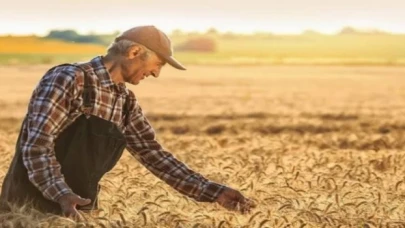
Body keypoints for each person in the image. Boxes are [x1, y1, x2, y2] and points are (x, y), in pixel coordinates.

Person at [0, 25, 255, 219]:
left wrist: (214, 192)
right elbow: (37, 146)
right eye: (158, 64)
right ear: (134, 52)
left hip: (76, 212)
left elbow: (153, 154)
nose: (156, 73)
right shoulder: (69, 79)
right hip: (28, 210)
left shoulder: (125, 101)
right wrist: (61, 194)